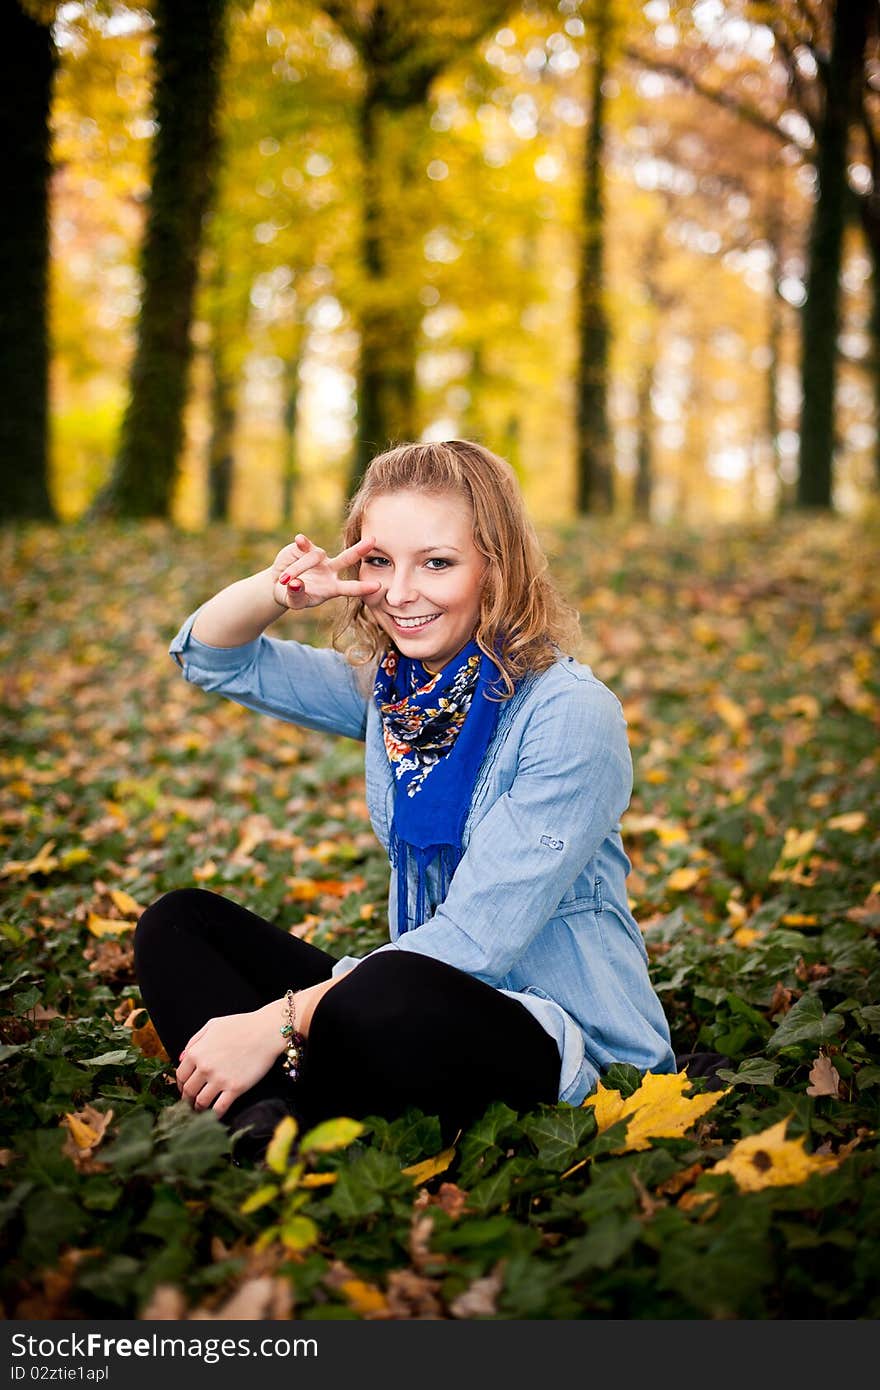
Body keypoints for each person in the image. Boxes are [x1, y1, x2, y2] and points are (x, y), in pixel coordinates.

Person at [134, 440, 676, 1162]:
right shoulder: (394, 692)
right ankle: (270, 1117)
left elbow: (473, 944)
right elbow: (210, 656)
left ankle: (282, 1097)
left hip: (566, 1044)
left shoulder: (571, 713)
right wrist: (279, 591)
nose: (399, 592)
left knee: (387, 992)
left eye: (438, 562)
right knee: (180, 924)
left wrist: (278, 1021)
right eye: (380, 561)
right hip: (401, 1000)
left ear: (497, 565)